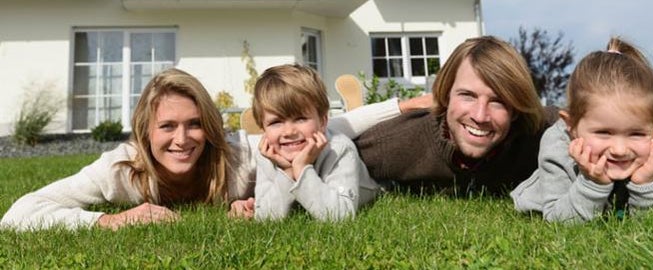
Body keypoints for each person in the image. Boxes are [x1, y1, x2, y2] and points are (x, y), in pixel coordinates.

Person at [354, 36, 653, 213]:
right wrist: (401, 105)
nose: (480, 115)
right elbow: (335, 144)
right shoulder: (402, 143)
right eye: (467, 96)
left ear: (516, 107)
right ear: (444, 96)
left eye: (497, 101)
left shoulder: (542, 128)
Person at [0, 68, 257, 231]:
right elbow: (18, 214)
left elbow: (293, 157)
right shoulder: (118, 169)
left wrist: (264, 202)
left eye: (194, 124)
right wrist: (110, 221)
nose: (181, 139)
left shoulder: (239, 156)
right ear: (146, 132)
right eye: (167, 126)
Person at [511, 38, 653, 222]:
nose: (619, 150)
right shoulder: (557, 145)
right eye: (604, 133)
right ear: (571, 125)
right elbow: (559, 221)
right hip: (553, 203)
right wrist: (593, 184)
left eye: (636, 134)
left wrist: (647, 184)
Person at [250, 64, 379, 221]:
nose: (289, 132)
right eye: (276, 122)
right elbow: (265, 218)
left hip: (373, 188)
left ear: (323, 121)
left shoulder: (339, 149)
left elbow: (340, 216)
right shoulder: (266, 156)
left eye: (301, 118)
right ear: (263, 129)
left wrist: (301, 168)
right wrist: (287, 171)